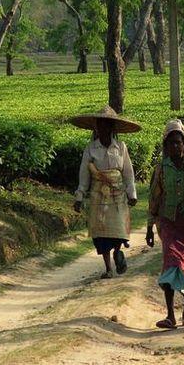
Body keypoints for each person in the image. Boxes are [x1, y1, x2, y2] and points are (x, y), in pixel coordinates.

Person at [70, 106, 141, 279]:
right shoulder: (90, 149)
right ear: (96, 128)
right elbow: (84, 175)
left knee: (118, 231)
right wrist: (79, 196)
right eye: (100, 125)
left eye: (107, 125)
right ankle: (108, 268)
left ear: (112, 128)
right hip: (98, 196)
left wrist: (132, 194)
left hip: (117, 195)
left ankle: (117, 252)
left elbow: (128, 173)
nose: (103, 128)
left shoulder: (121, 147)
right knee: (100, 235)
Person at [146, 119, 184, 329]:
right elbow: (154, 197)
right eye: (171, 143)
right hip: (169, 221)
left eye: (178, 142)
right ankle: (170, 314)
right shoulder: (161, 168)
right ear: (166, 146)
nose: (175, 147)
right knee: (172, 263)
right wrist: (150, 227)